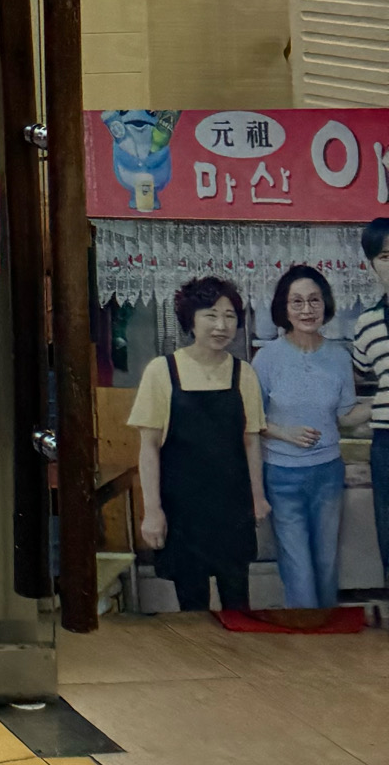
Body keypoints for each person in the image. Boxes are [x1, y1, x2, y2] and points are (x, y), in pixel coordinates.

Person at [129, 274, 266, 618]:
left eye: (230, 316)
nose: (221, 325)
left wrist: (258, 497)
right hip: (182, 512)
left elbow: (251, 442)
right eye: (211, 315)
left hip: (232, 510)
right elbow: (148, 449)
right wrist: (153, 511)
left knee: (238, 603)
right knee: (193, 607)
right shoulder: (162, 371)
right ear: (191, 319)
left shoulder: (243, 373)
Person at [255, 263, 363, 608]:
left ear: (325, 305)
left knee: (326, 564)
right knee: (298, 568)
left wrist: (382, 401)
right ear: (284, 309)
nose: (307, 310)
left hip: (328, 474)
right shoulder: (267, 359)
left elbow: (345, 417)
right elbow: (249, 420)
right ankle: (305, 647)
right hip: (282, 476)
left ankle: (327, 646)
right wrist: (284, 432)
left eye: (314, 301)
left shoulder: (339, 357)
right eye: (297, 302)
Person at [349, 219, 389, 590]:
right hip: (385, 444)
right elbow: (368, 378)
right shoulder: (366, 324)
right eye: (386, 256)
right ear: (372, 264)